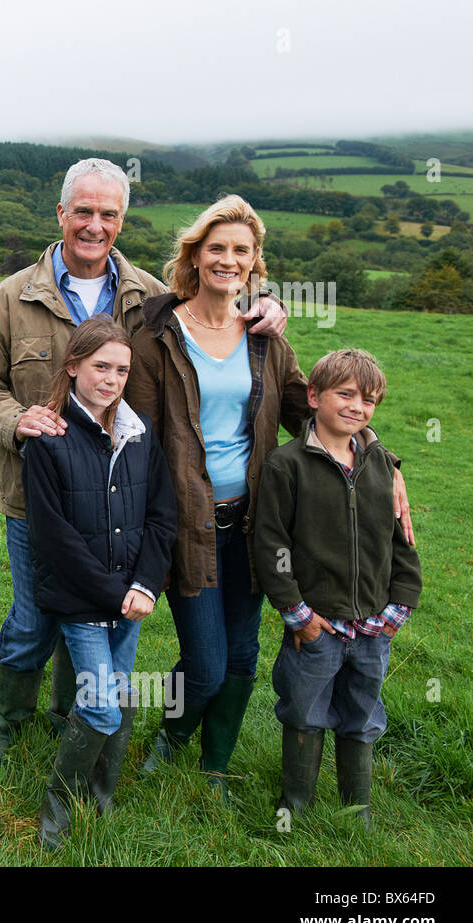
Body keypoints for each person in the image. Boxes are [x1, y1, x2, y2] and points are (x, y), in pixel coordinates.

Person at [0, 159, 287, 772]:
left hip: (123, 507)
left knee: (105, 620)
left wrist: (263, 304)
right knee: (34, 619)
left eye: (108, 214)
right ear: (61, 214)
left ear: (122, 221)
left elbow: (218, 308)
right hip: (37, 500)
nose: (94, 225)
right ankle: (10, 722)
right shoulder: (11, 297)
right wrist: (15, 420)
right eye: (83, 211)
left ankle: (72, 719)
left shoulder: (152, 301)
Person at [125, 195, 415, 802]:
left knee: (243, 656)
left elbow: (315, 413)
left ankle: (214, 765)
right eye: (216, 249)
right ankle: (171, 740)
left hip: (257, 527)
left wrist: (384, 463)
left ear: (255, 262)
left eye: (241, 251)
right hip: (187, 525)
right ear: (195, 256)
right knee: (204, 663)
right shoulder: (157, 336)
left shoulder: (266, 340)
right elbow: (139, 437)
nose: (228, 261)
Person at [22, 318, 176, 850]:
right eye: (100, 367)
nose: (111, 379)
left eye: (122, 370)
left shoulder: (139, 433)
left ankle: (101, 793)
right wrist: (115, 593)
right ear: (73, 367)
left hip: (132, 599)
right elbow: (53, 536)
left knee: (117, 688)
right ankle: (56, 807)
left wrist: (146, 585)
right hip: (84, 601)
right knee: (100, 704)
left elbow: (161, 516)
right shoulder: (49, 439)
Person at [254, 349, 421, 829]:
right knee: (305, 710)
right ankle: (296, 803)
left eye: (368, 400)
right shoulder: (287, 465)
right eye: (345, 395)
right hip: (316, 625)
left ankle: (357, 810)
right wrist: (297, 614)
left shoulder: (382, 467)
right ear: (313, 396)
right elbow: (271, 545)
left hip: (374, 625)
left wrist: (400, 607)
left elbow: (402, 543)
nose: (357, 407)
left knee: (362, 713)